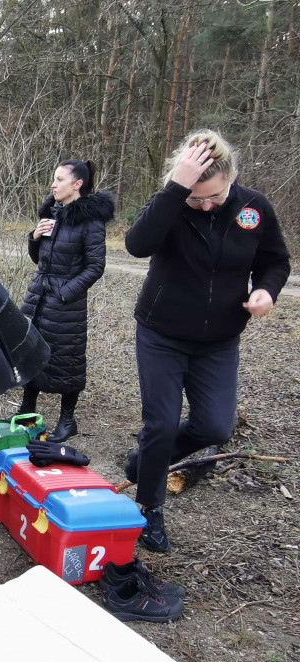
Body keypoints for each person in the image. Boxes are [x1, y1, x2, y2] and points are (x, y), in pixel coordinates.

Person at [124, 130, 291, 551]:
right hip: (161, 333)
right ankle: (149, 507)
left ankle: (146, 463)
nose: (205, 205)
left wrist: (267, 291)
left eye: (214, 196)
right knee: (160, 424)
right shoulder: (173, 204)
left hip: (219, 339)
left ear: (232, 177)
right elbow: (136, 245)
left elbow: (275, 260)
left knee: (214, 424)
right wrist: (177, 190)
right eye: (197, 197)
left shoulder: (254, 208)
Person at [17, 159, 114, 442]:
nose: (53, 184)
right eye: (54, 179)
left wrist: (65, 293)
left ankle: (67, 419)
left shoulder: (90, 220)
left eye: (59, 179)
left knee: (67, 358)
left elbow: (96, 266)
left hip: (65, 302)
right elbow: (40, 259)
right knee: (31, 350)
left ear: (77, 184)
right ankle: (27, 410)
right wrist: (34, 237)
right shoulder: (53, 213)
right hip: (38, 296)